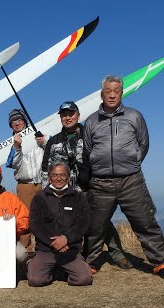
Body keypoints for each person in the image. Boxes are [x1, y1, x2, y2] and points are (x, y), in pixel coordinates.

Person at [83, 75, 164, 276]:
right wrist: (99, 165)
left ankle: (160, 261)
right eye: (108, 91)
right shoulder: (92, 120)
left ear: (121, 93)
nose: (112, 95)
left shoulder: (134, 116)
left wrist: (133, 161)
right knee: (95, 226)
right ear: (102, 94)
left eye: (116, 91)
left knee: (145, 222)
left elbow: (143, 143)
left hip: (131, 180)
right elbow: (87, 149)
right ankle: (90, 262)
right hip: (101, 182)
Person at [42, 101, 131, 270]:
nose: (67, 117)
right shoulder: (53, 141)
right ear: (60, 118)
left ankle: (117, 253)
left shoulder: (90, 134)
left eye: (71, 114)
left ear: (78, 115)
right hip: (65, 194)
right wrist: (46, 193)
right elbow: (45, 168)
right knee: (69, 225)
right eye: (64, 115)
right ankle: (80, 255)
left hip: (92, 188)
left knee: (100, 222)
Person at [27, 161, 93, 287]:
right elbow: (35, 225)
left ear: (68, 177)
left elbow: (83, 223)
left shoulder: (79, 197)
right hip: (46, 250)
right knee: (36, 280)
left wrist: (66, 239)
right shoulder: (39, 197)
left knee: (84, 279)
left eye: (62, 175)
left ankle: (62, 271)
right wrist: (55, 243)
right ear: (49, 177)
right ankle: (35, 264)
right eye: (55, 175)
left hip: (70, 250)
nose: (59, 178)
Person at [5, 109, 47, 251]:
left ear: (25, 120)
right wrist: (16, 147)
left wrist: (45, 141)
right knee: (24, 219)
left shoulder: (38, 134)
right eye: (13, 121)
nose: (17, 123)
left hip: (44, 182)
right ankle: (25, 252)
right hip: (25, 186)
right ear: (10, 125)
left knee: (47, 217)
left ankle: (45, 250)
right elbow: (12, 164)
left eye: (19, 120)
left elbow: (52, 151)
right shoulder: (9, 143)